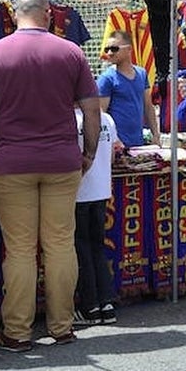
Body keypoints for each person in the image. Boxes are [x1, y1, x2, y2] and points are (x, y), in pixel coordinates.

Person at [0, 0, 101, 352]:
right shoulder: (71, 52)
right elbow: (92, 112)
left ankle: (17, 332)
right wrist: (88, 153)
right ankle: (62, 326)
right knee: (60, 244)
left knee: (21, 250)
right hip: (61, 161)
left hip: (12, 163)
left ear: (13, 15)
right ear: (47, 14)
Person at [73, 106, 119, 327]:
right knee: (97, 247)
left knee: (81, 249)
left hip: (78, 192)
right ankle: (106, 304)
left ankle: (90, 306)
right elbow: (111, 155)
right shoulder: (106, 118)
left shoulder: (70, 118)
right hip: (101, 190)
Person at [98, 30, 161, 147]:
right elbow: (101, 115)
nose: (110, 53)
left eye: (114, 48)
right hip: (117, 146)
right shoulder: (106, 79)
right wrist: (114, 140)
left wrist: (155, 135)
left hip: (138, 143)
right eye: (107, 49)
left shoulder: (142, 74)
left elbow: (148, 106)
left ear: (129, 49)